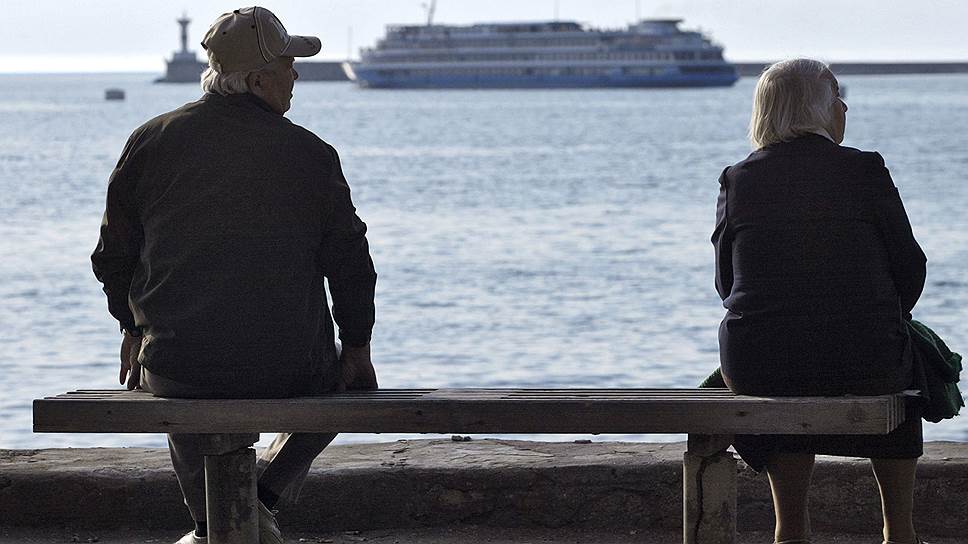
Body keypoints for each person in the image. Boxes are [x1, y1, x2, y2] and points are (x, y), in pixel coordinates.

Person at [91, 7, 378, 544]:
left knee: (175, 363)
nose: (296, 74)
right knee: (350, 382)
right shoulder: (311, 154)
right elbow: (350, 262)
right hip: (292, 368)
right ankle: (260, 498)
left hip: (178, 369)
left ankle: (214, 522)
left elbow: (112, 255)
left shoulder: (150, 141)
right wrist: (357, 344)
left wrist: (130, 328)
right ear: (258, 80)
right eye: (287, 65)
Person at [711, 59, 927, 544]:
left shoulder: (739, 179)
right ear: (816, 109)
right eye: (836, 97)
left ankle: (790, 531)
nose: (844, 107)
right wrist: (884, 315)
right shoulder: (865, 170)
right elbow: (910, 267)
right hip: (865, 360)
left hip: (758, 364)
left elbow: (727, 284)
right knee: (903, 360)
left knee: (782, 358)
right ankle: (899, 531)